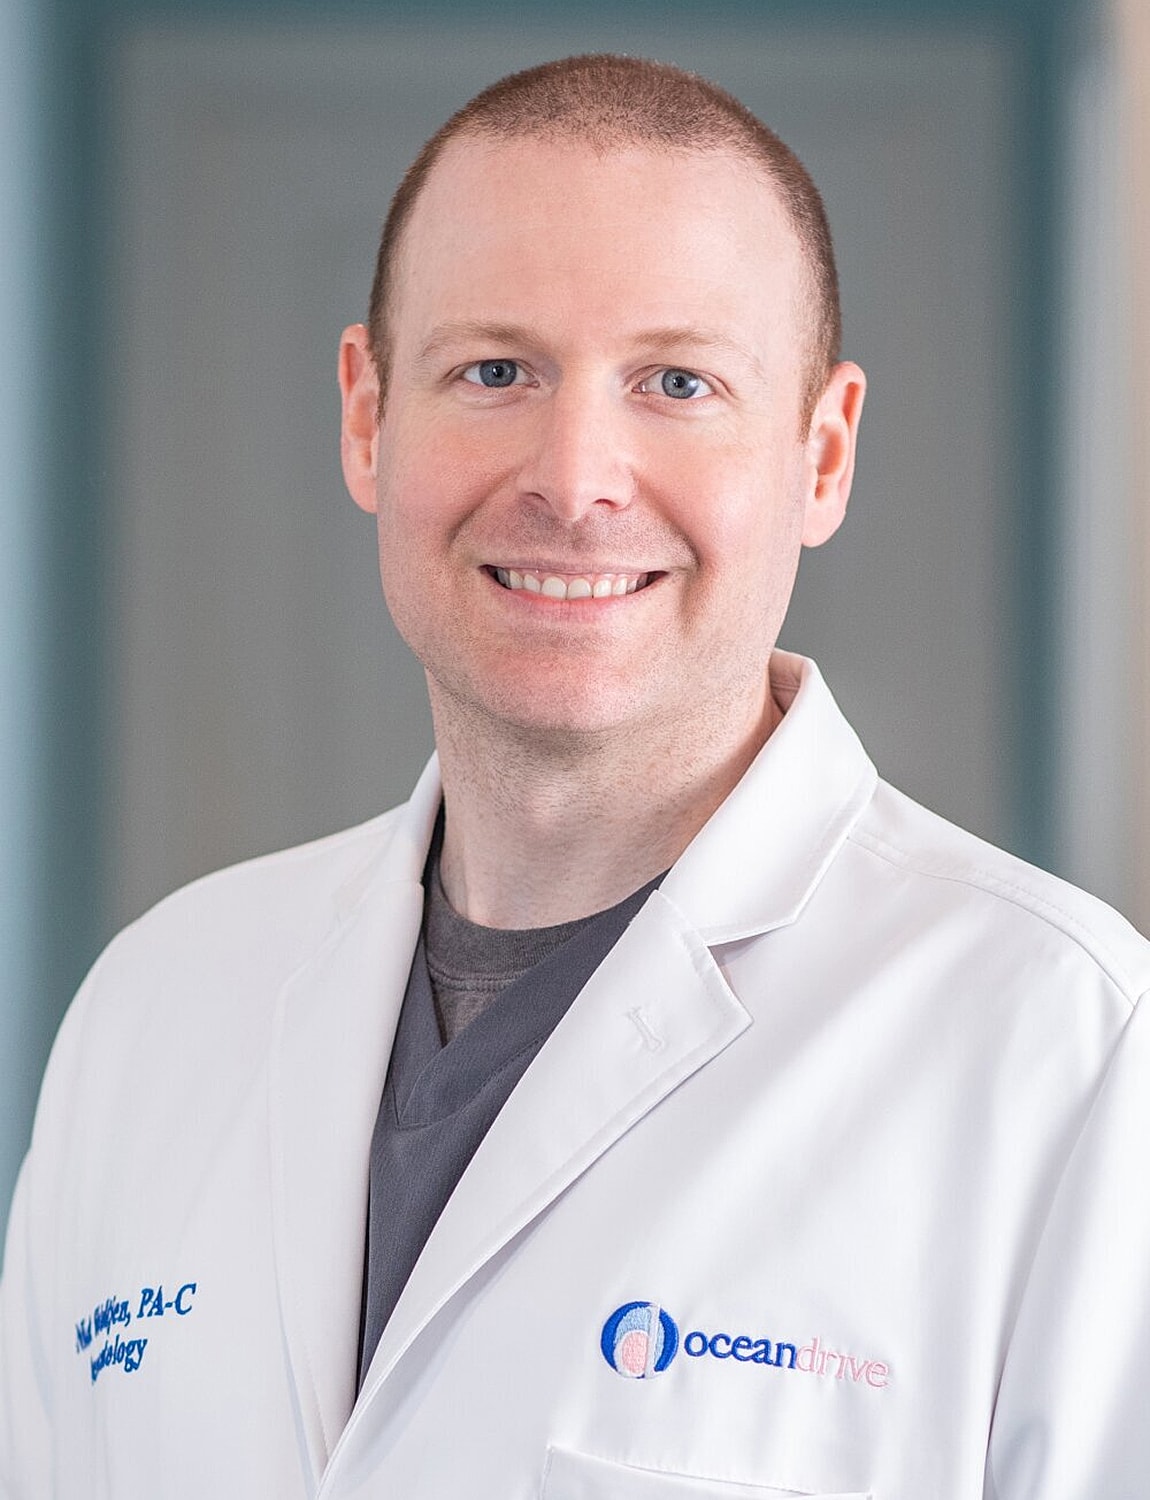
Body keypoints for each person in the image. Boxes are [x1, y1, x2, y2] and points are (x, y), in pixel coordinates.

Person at [2, 52, 1148, 1500]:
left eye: (677, 380)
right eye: (495, 371)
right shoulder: (155, 1011)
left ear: (821, 451)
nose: (575, 475)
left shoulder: (1068, 1053)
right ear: (367, 415)